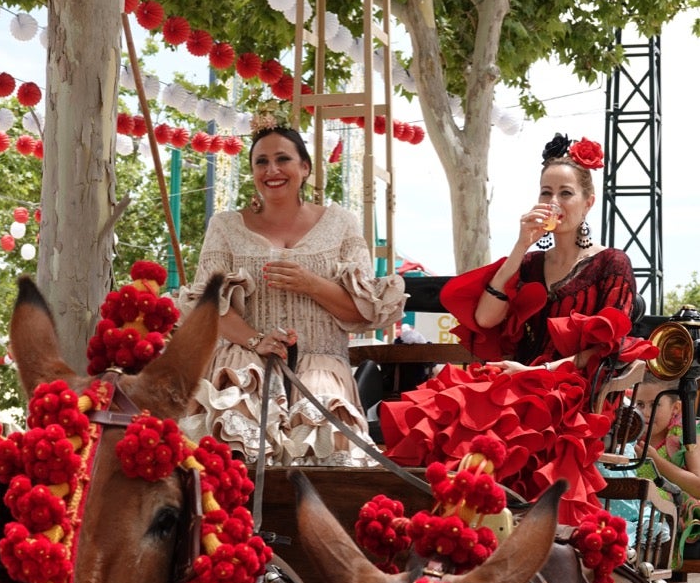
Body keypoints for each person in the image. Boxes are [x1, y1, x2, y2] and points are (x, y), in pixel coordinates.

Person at [380, 133, 656, 525]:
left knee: (498, 405)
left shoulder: (611, 262)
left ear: (587, 202)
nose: (554, 203)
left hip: (573, 386)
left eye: (566, 193)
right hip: (517, 377)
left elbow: (604, 350)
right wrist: (521, 245)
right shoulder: (529, 264)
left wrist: (535, 372)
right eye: (546, 193)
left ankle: (475, 518)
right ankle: (450, 518)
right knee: (452, 399)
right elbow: (488, 318)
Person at [175, 111, 407, 466]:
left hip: (320, 360)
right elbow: (206, 305)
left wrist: (310, 283)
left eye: (283, 159)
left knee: (321, 429)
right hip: (243, 355)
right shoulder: (225, 226)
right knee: (236, 413)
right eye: (261, 162)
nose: (272, 170)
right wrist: (256, 340)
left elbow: (363, 311)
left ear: (305, 168)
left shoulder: (340, 223)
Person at [633, 370, 700, 561]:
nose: (645, 413)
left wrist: (656, 460)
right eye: (640, 404)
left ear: (676, 408)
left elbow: (698, 486)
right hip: (637, 514)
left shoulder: (686, 434)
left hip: (678, 515)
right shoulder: (629, 435)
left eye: (655, 405)